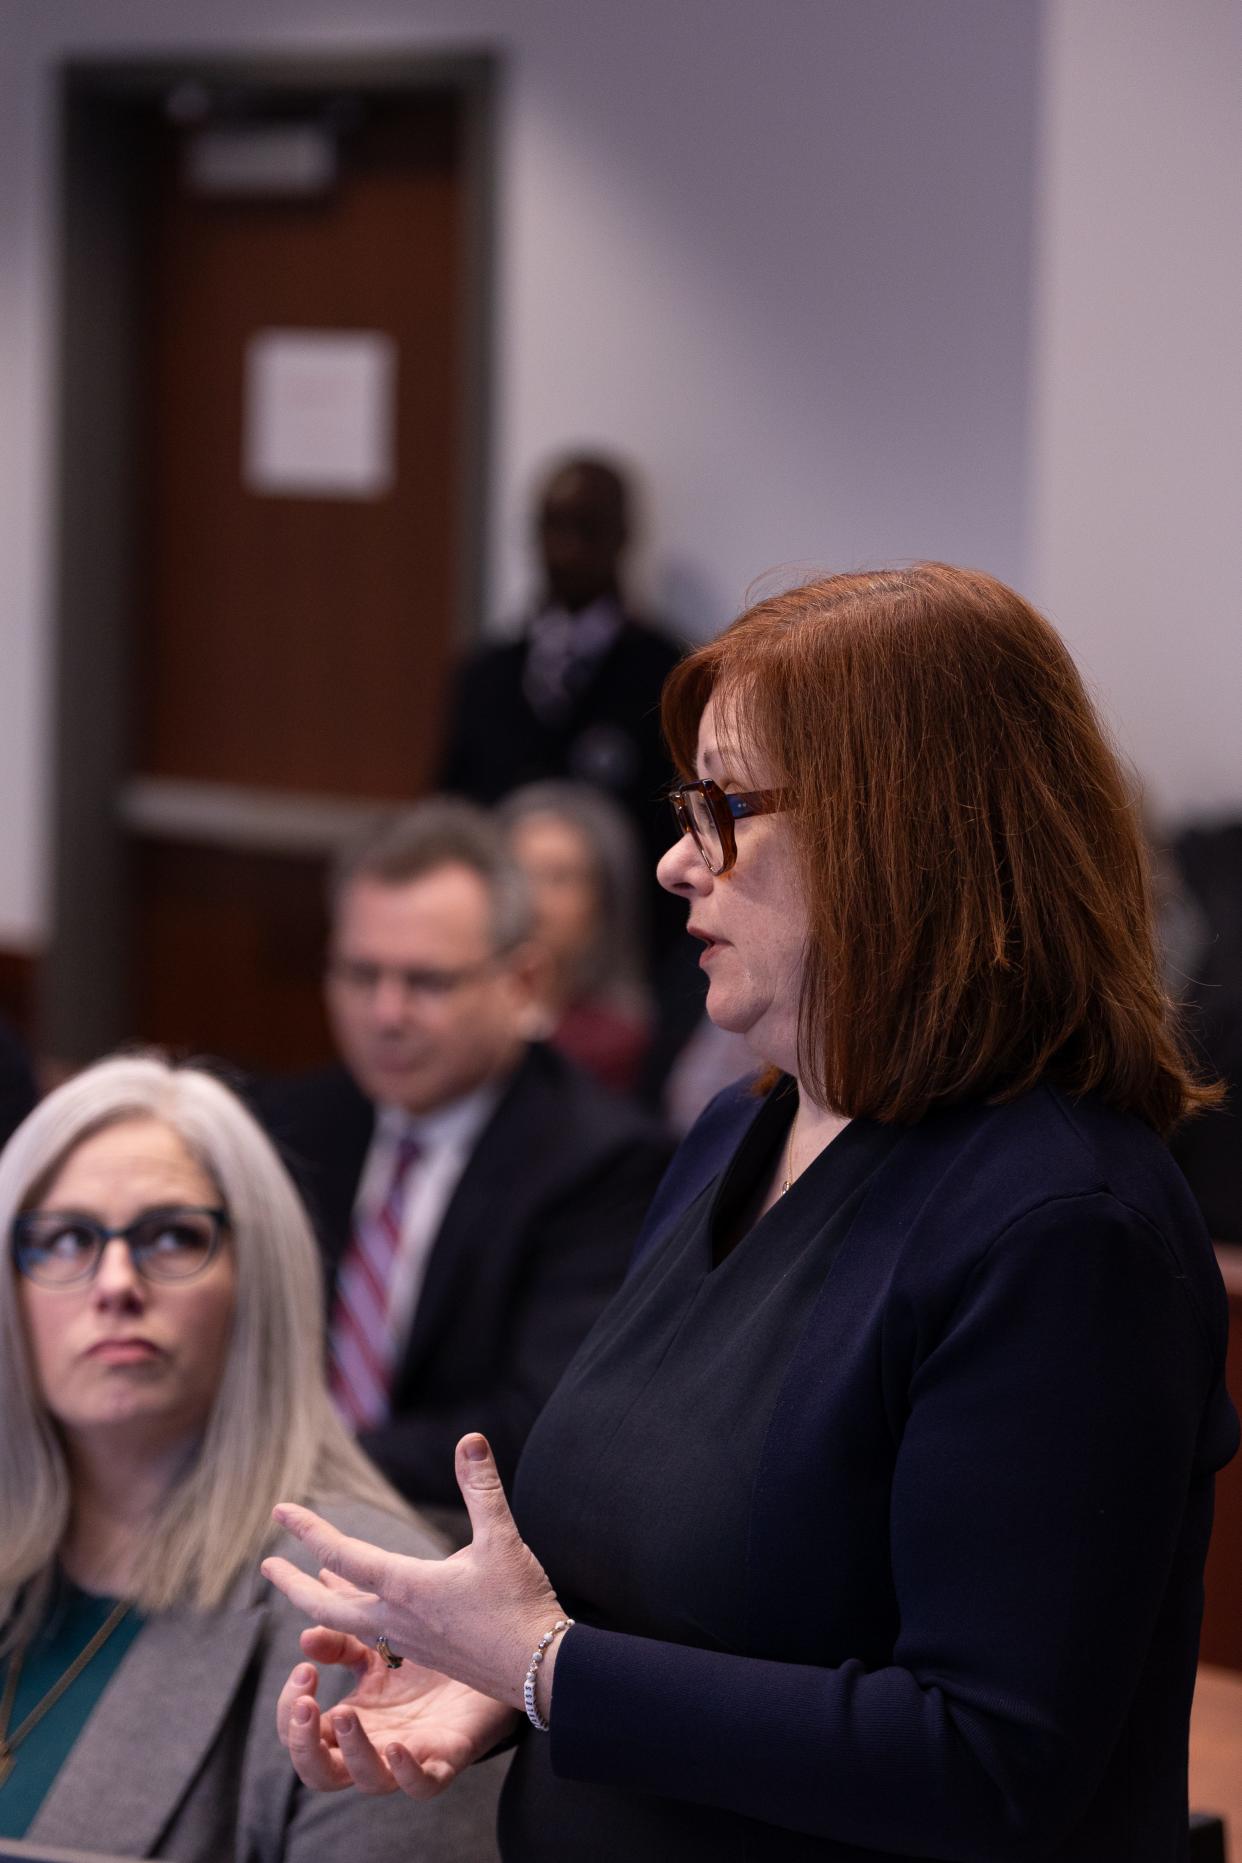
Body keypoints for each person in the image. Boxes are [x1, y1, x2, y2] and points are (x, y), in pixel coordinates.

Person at [261, 564, 1239, 1862]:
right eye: (682, 808)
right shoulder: (738, 1131)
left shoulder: (1064, 1221)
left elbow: (987, 1759)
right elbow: (671, 1603)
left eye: (721, 808)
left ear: (899, 828)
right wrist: (483, 1678)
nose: (673, 862)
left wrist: (544, 1665)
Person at [0, 1052, 504, 1860]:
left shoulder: (382, 1605)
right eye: (64, 1238)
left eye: (171, 1236)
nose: (116, 1283)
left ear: (258, 1280)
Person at [254, 799, 672, 1513]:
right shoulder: (287, 1125)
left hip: (454, 1542)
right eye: (360, 974)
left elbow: (537, 1425)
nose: (385, 1014)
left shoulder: (604, 1163)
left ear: (524, 985)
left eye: (427, 982)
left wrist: (285, 1462)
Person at [438, 454, 686, 973]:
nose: (568, 549)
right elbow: (451, 813)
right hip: (493, 954)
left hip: (624, 968)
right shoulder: (487, 675)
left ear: (622, 537)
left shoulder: (668, 677)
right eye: (553, 527)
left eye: (588, 529)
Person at [497, 780, 653, 1095]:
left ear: (604, 905)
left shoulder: (615, 1043)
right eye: (517, 873)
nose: (533, 901)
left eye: (560, 879)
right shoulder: (453, 1007)